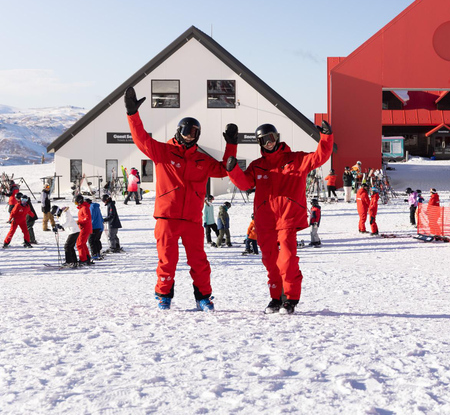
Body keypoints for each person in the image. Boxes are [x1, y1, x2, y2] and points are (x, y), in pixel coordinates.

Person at [125, 86, 235, 311]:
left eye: (194, 132)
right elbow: (141, 139)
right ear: (178, 131)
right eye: (186, 130)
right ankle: (163, 296)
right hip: (167, 218)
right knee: (167, 261)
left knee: (199, 262)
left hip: (193, 220)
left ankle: (203, 297)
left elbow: (225, 169)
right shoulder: (163, 152)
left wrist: (232, 144)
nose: (189, 135)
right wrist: (132, 114)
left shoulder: (202, 161)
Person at [224, 119, 333, 315]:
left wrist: (326, 137)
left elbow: (320, 156)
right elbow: (245, 184)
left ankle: (290, 299)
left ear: (277, 138)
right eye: (264, 140)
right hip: (265, 220)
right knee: (270, 260)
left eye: (271, 138)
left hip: (287, 218)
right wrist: (233, 170)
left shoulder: (295, 159)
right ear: (259, 143)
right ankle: (276, 297)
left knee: (288, 260)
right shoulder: (258, 166)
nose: (269, 143)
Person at [74, 194, 93, 265]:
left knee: (79, 244)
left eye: (76, 202)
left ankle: (83, 259)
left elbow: (87, 218)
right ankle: (87, 257)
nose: (76, 204)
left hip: (85, 228)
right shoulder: (82, 208)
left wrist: (79, 222)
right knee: (82, 243)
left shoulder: (85, 208)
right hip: (83, 228)